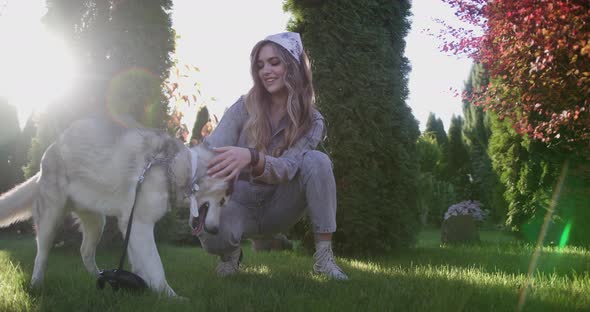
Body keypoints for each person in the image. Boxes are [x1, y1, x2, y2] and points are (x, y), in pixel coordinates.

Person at [198, 32, 348, 280]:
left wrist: (252, 157)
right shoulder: (243, 106)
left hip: (279, 205)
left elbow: (288, 167)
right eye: (260, 65)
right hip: (238, 204)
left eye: (274, 62)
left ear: (293, 66)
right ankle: (230, 254)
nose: (265, 70)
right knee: (213, 235)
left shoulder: (312, 120)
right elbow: (211, 149)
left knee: (317, 160)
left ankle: (323, 258)